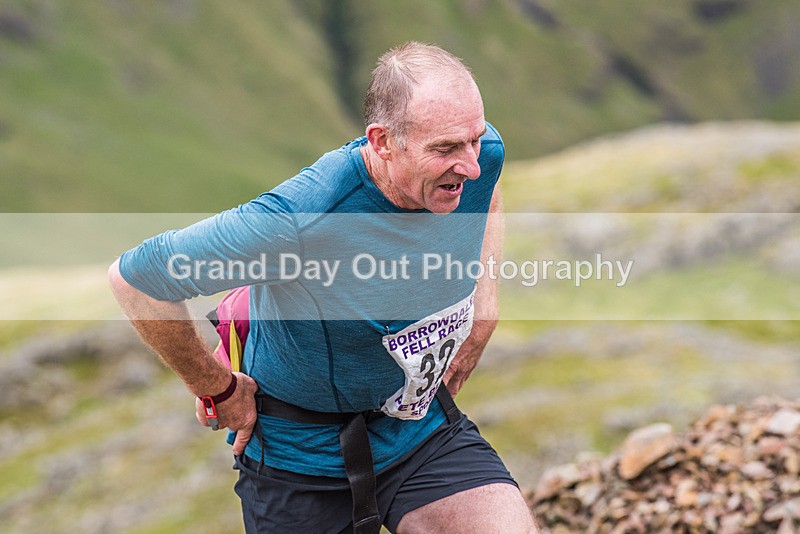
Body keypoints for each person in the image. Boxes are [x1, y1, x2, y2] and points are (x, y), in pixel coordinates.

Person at [109, 41, 538, 533]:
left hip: (418, 432)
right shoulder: (303, 215)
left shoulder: (478, 155)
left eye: (474, 140)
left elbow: (489, 188)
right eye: (444, 149)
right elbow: (135, 279)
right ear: (380, 142)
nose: (471, 165)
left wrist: (484, 300)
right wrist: (215, 386)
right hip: (299, 460)